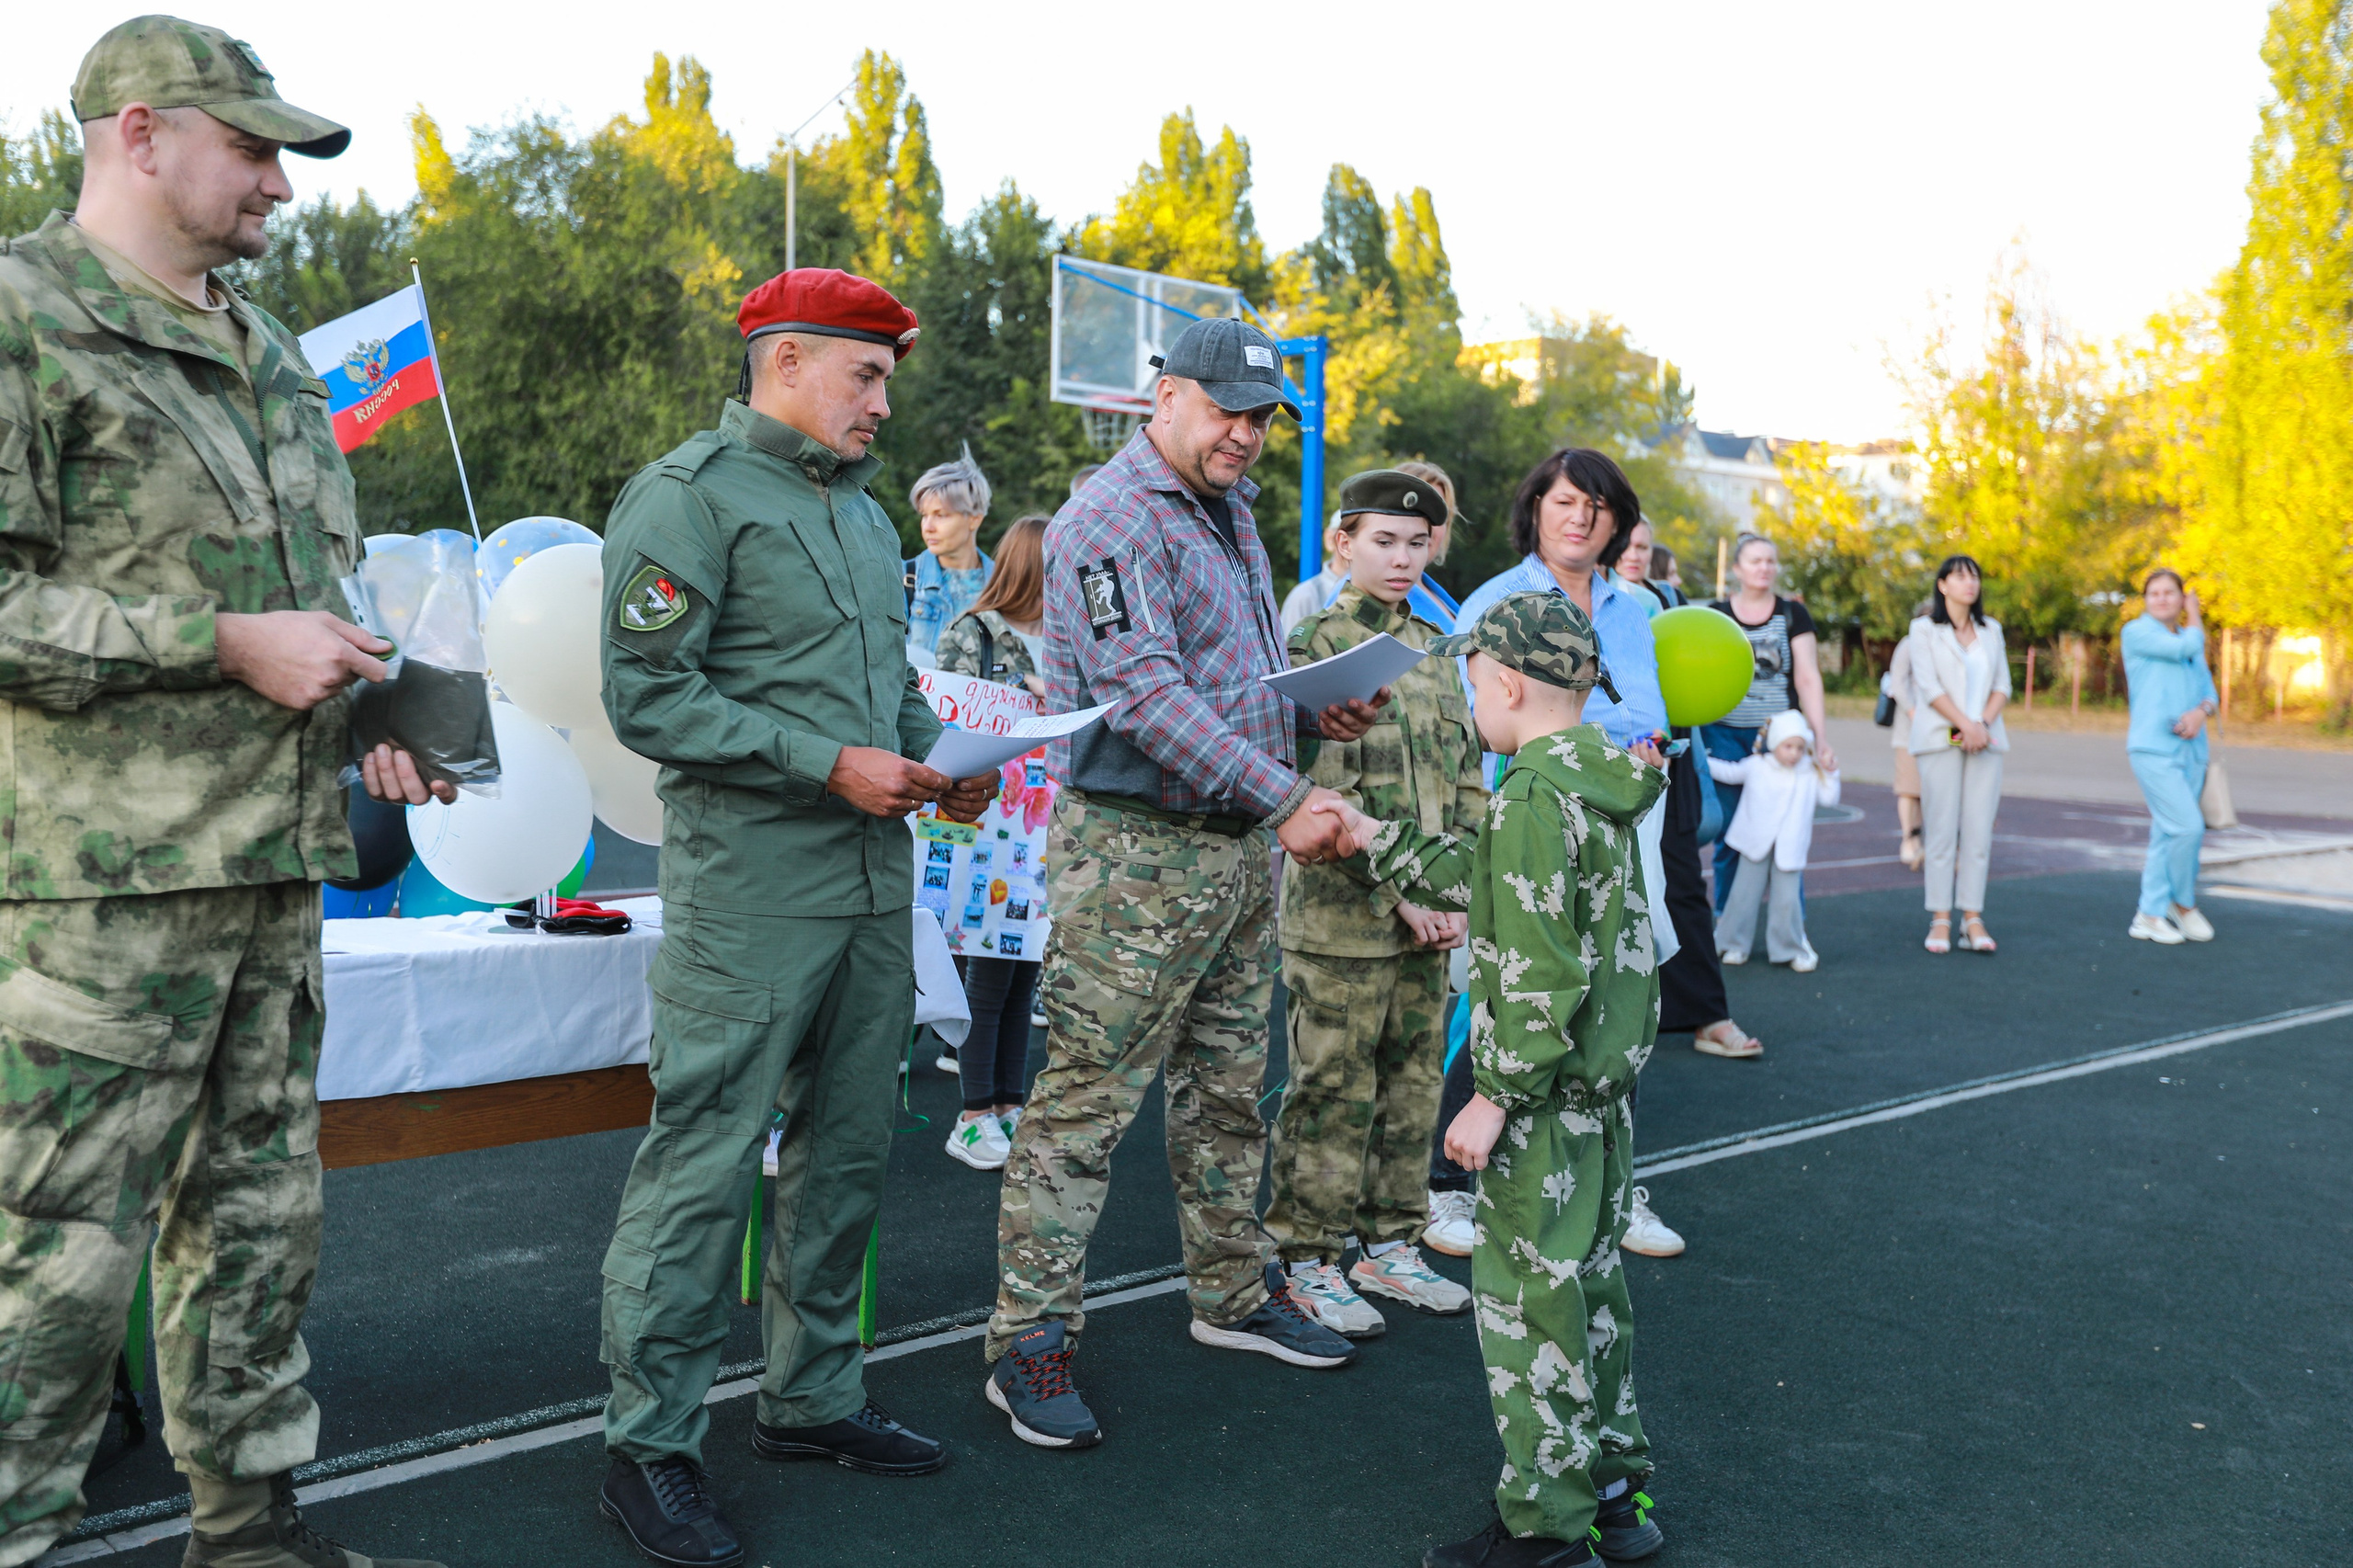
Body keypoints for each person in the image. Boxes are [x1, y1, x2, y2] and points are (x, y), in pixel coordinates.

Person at [0, 19, 454, 1567]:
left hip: (272, 873)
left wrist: (366, 706)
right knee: (50, 1266)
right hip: (95, 901)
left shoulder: (269, 350)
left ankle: (249, 1529)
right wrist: (219, 646)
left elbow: (302, 591)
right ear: (138, 134)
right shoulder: (21, 318)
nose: (278, 180)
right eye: (252, 146)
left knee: (256, 1231)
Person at [595, 266, 999, 1567]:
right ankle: (649, 1444)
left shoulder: (865, 512)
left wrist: (952, 751)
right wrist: (830, 763)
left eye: (887, 378)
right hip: (755, 891)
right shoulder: (689, 496)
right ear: (785, 363)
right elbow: (649, 698)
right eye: (865, 375)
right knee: (708, 1161)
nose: (885, 403)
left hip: (877, 882)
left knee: (848, 1152)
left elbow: (888, 695)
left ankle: (811, 1397)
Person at [984, 315, 1382, 1449]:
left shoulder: (1228, 511)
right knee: (1084, 1104)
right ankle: (1026, 1342)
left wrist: (1312, 710)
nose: (1247, 435)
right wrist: (1289, 796)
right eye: (1227, 411)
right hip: (1136, 858)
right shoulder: (1109, 516)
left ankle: (1232, 1293)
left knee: (1222, 1092)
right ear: (1162, 395)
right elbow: (1146, 699)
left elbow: (1228, 680)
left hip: (1231, 849)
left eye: (1261, 417)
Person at [1314, 592, 1671, 1568]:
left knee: (1529, 1307)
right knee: (1593, 1295)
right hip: (1599, 1104)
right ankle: (1613, 1493)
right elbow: (1492, 878)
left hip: (1543, 1108)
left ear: (1506, 681)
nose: (1474, 697)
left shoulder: (1528, 793)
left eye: (1476, 681)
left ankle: (1545, 1529)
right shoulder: (1594, 781)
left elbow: (1541, 967)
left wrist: (1492, 1093)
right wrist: (1369, 832)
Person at [1266, 470, 1483, 1336]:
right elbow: (1322, 793)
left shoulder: (1435, 645)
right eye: (1383, 541)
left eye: (1417, 541)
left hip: (1433, 921)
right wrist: (1407, 896)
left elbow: (1468, 776)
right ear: (1341, 544)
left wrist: (1457, 892)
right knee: (1329, 1090)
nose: (1402, 557)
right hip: (1341, 917)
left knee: (1414, 1084)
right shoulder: (1316, 645)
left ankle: (1389, 1244)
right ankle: (1308, 1257)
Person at [1461, 450, 1760, 1071]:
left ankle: (1597, 1151)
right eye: (1565, 502)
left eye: (1596, 507)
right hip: (1541, 821)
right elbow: (1478, 723)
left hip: (1631, 814)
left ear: (1618, 521)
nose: (1580, 518)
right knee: (1525, 994)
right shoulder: (1496, 603)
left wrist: (1648, 749)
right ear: (1535, 508)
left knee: (1615, 996)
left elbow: (1644, 711)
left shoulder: (1632, 612)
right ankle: (1458, 1154)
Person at [935, 515, 1051, 1167]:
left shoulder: (1069, 642)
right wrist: (1022, 692)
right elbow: (942, 719)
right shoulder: (973, 633)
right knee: (987, 972)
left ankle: (1008, 1100)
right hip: (983, 825)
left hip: (1041, 830)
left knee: (1023, 970)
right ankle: (974, 1112)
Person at [1705, 533, 1838, 911]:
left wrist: (1819, 739)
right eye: (1755, 561)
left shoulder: (1792, 614)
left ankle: (1788, 921)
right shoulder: (1716, 613)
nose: (1764, 568)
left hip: (1782, 738)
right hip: (1724, 733)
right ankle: (1727, 917)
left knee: (1785, 830)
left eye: (1770, 561)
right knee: (1730, 830)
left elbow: (1808, 677)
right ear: (1737, 569)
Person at [1904, 554, 2010, 956]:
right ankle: (1940, 917)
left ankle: (1972, 917)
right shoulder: (1924, 629)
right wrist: (1964, 725)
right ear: (1943, 584)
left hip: (1987, 739)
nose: (1970, 583)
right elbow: (1928, 687)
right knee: (1942, 829)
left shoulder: (1991, 630)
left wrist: (1980, 724)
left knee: (1979, 831)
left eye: (1975, 576)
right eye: (1960, 576)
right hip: (1938, 738)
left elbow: (2003, 685)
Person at [2122, 570, 2220, 945]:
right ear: (2146, 600)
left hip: (2192, 751)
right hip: (2153, 747)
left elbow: (2209, 692)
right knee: (2187, 827)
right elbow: (2185, 648)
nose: (2162, 599)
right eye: (2154, 593)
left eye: (2170, 593)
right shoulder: (2138, 632)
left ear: (2179, 598)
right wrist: (2195, 614)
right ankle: (2181, 904)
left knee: (2168, 832)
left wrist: (2201, 711)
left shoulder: (2187, 640)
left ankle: (2152, 911)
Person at [1710, 711, 1840, 971]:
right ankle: (1733, 944)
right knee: (1742, 896)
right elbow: (1731, 773)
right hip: (1754, 843)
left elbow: (1828, 799)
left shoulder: (1809, 772)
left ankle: (1788, 949)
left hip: (1789, 848)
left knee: (1787, 901)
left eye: (1800, 748)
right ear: (1775, 743)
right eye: (1788, 746)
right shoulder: (1758, 765)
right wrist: (1703, 762)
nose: (1794, 753)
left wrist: (1831, 772)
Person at [904, 444, 994, 659]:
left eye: (941, 515)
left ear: (974, 519)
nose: (928, 526)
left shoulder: (1003, 585)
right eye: (924, 515)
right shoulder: (902, 579)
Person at [1882, 624, 1926, 870]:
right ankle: (1909, 839)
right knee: (1909, 788)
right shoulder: (1909, 644)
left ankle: (1928, 839)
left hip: (1941, 729)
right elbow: (1897, 681)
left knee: (1934, 788)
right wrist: (1913, 711)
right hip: (1910, 730)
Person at [1279, 512, 1348, 638]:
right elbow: (1288, 654)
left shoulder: (1382, 593)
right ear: (1330, 539)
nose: (1350, 545)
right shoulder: (1304, 596)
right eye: (1347, 537)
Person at [1609, 518, 1666, 617]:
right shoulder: (1593, 597)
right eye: (1625, 546)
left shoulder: (1669, 594)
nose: (1634, 557)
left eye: (1642, 547)